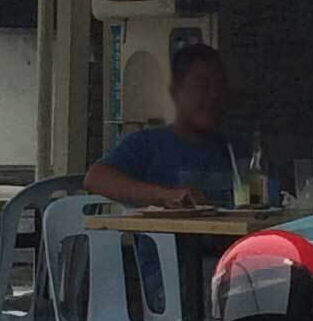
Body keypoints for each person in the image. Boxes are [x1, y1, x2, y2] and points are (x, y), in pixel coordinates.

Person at [84, 41, 255, 207]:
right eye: (202, 86)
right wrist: (166, 196)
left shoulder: (236, 147)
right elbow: (96, 178)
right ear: (176, 91)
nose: (213, 95)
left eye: (220, 86)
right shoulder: (148, 144)